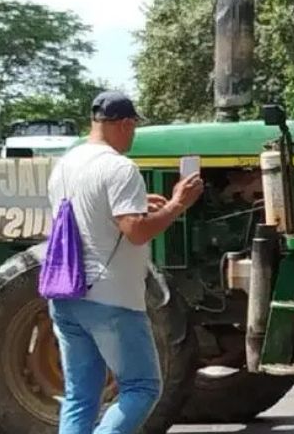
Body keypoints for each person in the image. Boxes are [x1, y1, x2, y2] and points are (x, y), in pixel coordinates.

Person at [48, 91, 203, 434]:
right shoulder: (119, 167)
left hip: (66, 296)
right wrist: (177, 204)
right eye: (133, 127)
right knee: (142, 388)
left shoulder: (65, 164)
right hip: (111, 298)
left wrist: (137, 201)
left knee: (80, 396)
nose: (133, 135)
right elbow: (135, 231)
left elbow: (89, 209)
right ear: (125, 124)